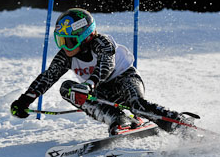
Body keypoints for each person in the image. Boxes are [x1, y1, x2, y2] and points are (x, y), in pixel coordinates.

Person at [10, 8, 191, 135]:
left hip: (124, 79)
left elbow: (107, 65)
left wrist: (89, 84)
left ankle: (179, 123)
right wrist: (25, 100)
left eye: (69, 41)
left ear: (86, 37)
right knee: (67, 88)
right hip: (100, 90)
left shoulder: (101, 42)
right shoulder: (65, 56)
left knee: (137, 105)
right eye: (61, 41)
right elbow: (48, 77)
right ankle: (118, 119)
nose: (65, 47)